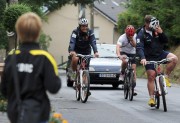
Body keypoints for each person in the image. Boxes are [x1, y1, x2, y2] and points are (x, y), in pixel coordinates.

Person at [0, 12, 61, 123]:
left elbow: (4, 90)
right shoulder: (45, 58)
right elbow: (54, 87)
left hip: (17, 115)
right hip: (38, 114)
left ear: (19, 31)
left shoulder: (11, 57)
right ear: (38, 32)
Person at [136, 15, 178, 106]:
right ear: (147, 23)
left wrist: (161, 32)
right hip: (149, 57)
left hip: (160, 53)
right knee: (151, 76)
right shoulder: (141, 33)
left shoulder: (157, 29)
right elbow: (139, 47)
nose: (154, 25)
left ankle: (166, 77)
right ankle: (151, 98)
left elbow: (165, 41)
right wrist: (143, 58)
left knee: (174, 59)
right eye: (152, 24)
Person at [116, 25, 137, 96]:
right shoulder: (122, 37)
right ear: (126, 32)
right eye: (129, 35)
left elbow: (135, 46)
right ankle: (122, 73)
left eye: (131, 35)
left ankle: (133, 87)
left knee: (134, 69)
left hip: (132, 52)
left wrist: (132, 39)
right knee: (124, 61)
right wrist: (119, 55)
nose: (130, 36)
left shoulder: (135, 36)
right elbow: (118, 47)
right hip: (123, 52)